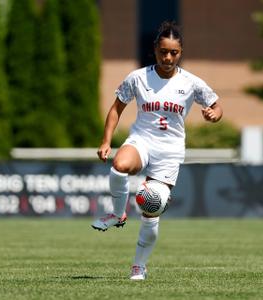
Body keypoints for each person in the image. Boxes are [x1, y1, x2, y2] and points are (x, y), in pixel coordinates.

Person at [91, 21, 223, 280]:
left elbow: (216, 105)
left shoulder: (191, 82)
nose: (168, 57)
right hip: (142, 140)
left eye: (174, 52)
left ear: (181, 52)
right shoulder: (138, 78)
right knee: (119, 166)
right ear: (155, 50)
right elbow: (116, 109)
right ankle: (118, 214)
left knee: (151, 210)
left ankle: (139, 266)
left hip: (170, 151)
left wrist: (213, 114)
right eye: (163, 51)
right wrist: (106, 142)